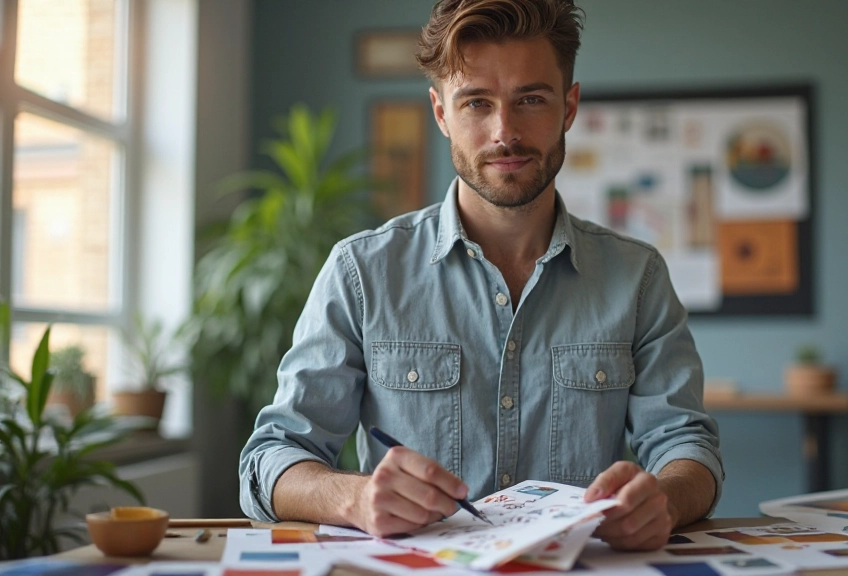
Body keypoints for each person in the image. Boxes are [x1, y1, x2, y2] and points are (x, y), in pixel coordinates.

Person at [239, 0, 723, 551]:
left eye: (531, 99)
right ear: (441, 113)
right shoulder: (360, 272)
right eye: (476, 103)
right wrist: (355, 497)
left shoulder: (638, 277)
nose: (504, 132)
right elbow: (270, 458)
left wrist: (664, 496)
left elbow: (689, 447)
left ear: (569, 107)